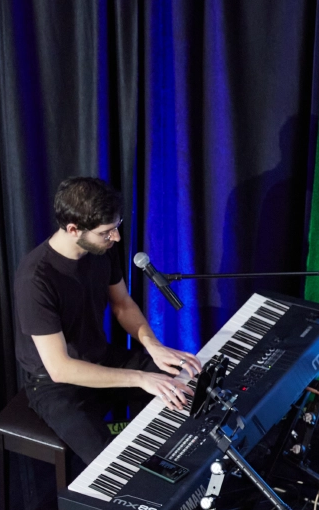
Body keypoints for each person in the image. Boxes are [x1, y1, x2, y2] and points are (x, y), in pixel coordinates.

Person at [14, 177, 202, 466]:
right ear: (73, 229)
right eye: (107, 232)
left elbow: (122, 304)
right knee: (112, 462)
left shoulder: (100, 249)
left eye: (116, 227)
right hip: (55, 384)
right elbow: (60, 369)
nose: (115, 238)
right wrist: (140, 378)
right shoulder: (35, 279)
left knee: (187, 389)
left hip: (102, 357)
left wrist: (153, 346)